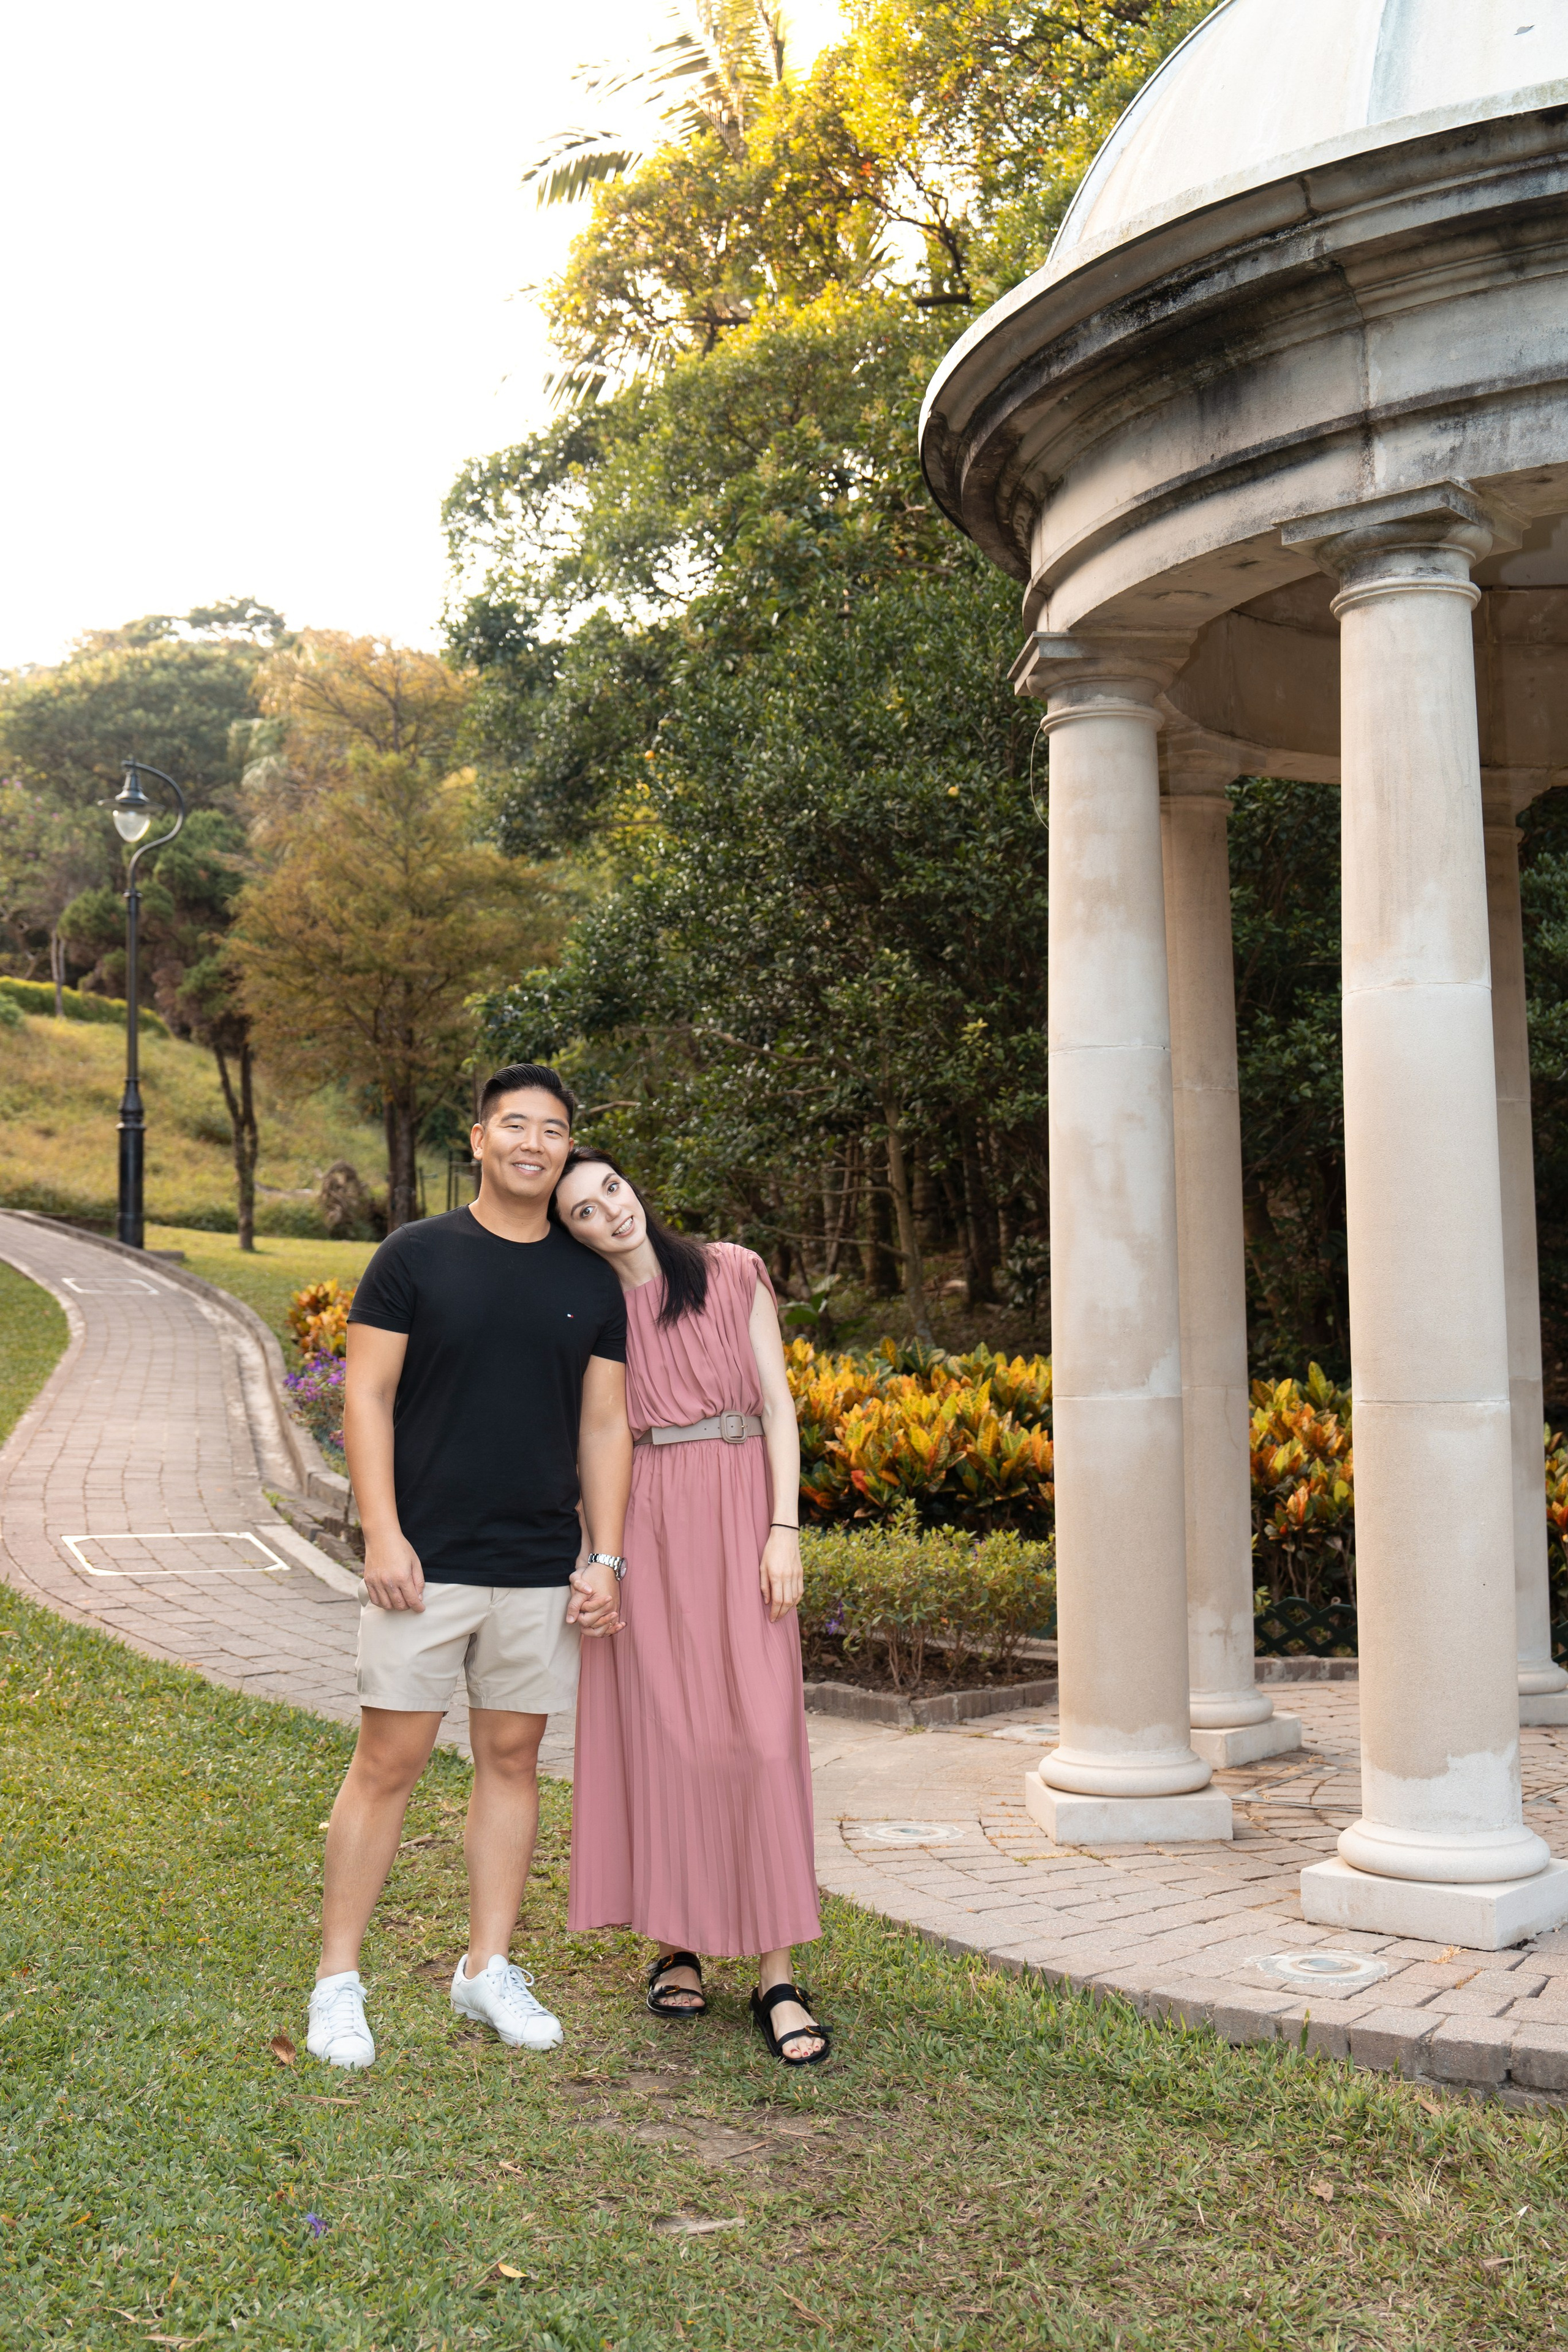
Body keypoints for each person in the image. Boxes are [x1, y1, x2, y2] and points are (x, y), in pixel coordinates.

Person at [306, 1065, 631, 2071]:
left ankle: (486, 1969)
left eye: (555, 1130)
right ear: (480, 1139)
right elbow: (367, 1397)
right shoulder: (413, 1256)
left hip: (538, 1565)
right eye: (516, 1126)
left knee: (511, 1762)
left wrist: (604, 1555)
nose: (535, 1143)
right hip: (427, 1558)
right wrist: (383, 1529)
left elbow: (606, 1421)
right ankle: (337, 1984)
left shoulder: (590, 1279)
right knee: (388, 1764)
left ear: (567, 1148)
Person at [554, 1148, 829, 2067]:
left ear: (635, 1190)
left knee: (758, 1737)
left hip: (746, 1512)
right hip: (652, 1526)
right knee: (672, 1739)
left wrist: (784, 1528)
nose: (609, 1214)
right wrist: (603, 1558)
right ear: (572, 1236)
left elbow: (781, 1406)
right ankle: (677, 1943)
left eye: (612, 1192)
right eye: (583, 1213)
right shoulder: (595, 1314)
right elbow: (595, 1441)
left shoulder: (728, 1269)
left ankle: (777, 1973)